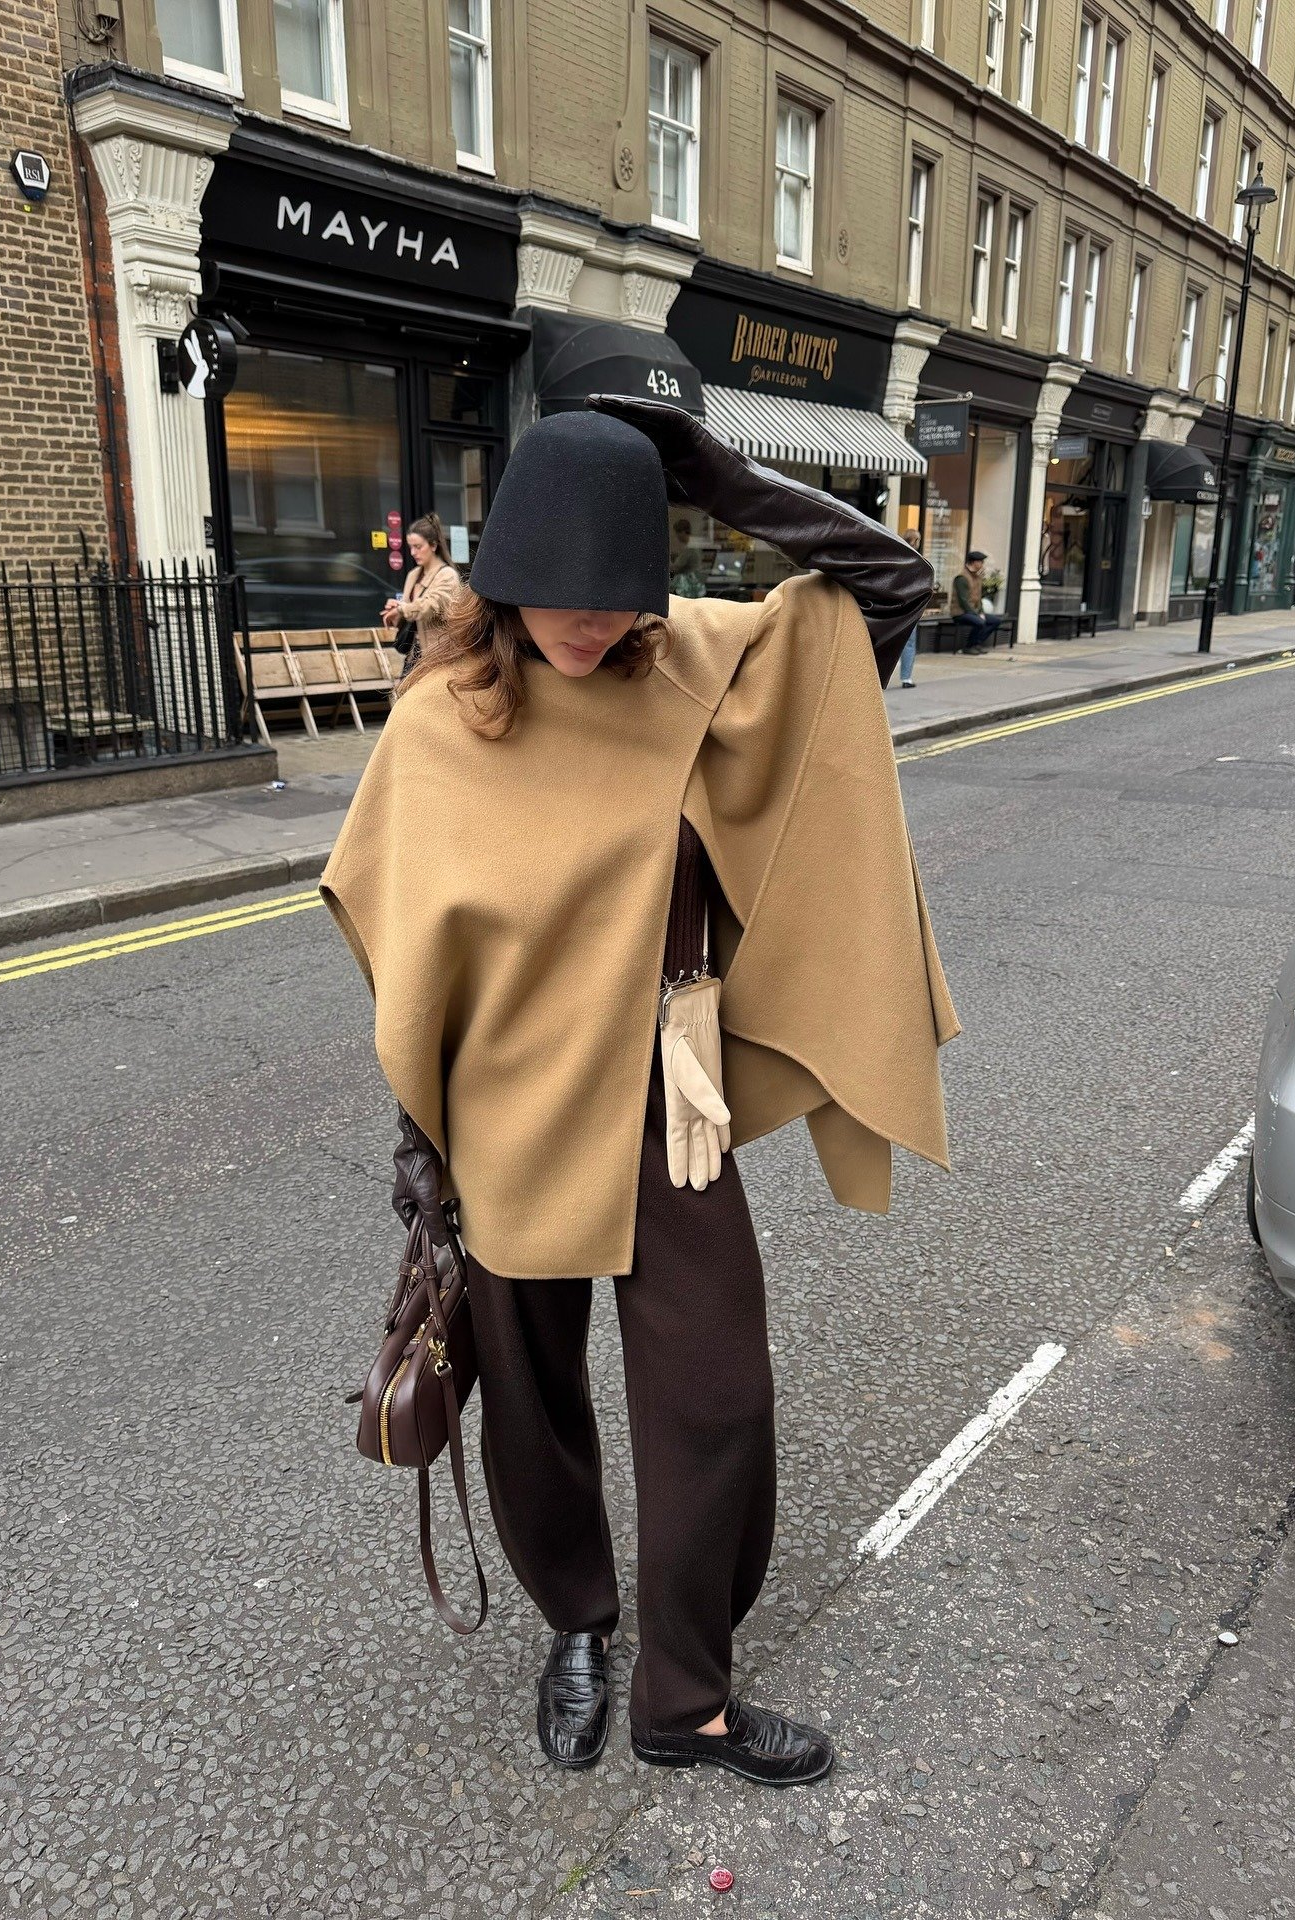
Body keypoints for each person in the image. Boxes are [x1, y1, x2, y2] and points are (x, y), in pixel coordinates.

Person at [320, 400, 957, 1789]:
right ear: (507, 573)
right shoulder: (442, 724)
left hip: (673, 1087)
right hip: (508, 1111)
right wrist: (426, 1151)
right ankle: (580, 1627)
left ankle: (687, 1694)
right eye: (563, 596)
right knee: (534, 1401)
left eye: (619, 598)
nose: (591, 628)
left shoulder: (692, 666)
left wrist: (717, 478)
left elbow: (898, 588)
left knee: (717, 1383)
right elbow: (404, 949)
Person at [381, 513, 461, 677]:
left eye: (418, 547)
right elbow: (409, 616)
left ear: (433, 545)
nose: (412, 552)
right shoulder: (413, 575)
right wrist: (395, 610)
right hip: (413, 653)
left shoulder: (447, 575)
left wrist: (403, 609)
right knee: (403, 698)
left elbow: (429, 606)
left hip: (438, 656)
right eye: (411, 547)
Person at [952, 547, 1001, 653]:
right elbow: (963, 601)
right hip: (960, 612)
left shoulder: (977, 577)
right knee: (980, 622)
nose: (983, 565)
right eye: (981, 562)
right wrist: (976, 614)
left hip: (973, 612)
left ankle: (976, 643)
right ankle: (969, 647)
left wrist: (981, 612)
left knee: (995, 621)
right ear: (974, 562)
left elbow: (978, 599)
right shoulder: (961, 578)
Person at [898, 528, 923, 686]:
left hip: (894, 604)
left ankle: (876, 679)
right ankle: (906, 678)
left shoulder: (896, 556)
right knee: (909, 642)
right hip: (911, 605)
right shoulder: (917, 560)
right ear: (915, 541)